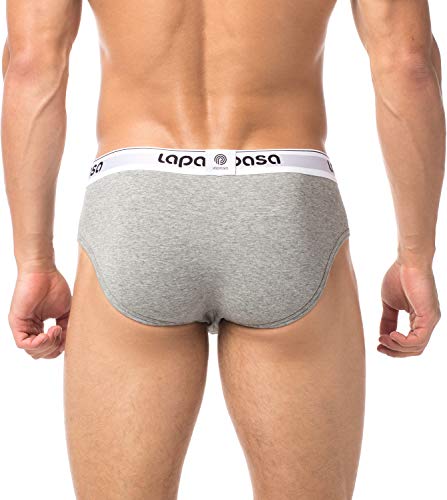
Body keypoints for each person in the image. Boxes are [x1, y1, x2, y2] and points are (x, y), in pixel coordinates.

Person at [2, 0, 444, 498]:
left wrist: (34, 262)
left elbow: (31, 65)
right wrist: (415, 257)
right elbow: (409, 66)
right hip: (284, 198)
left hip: (137, 199)